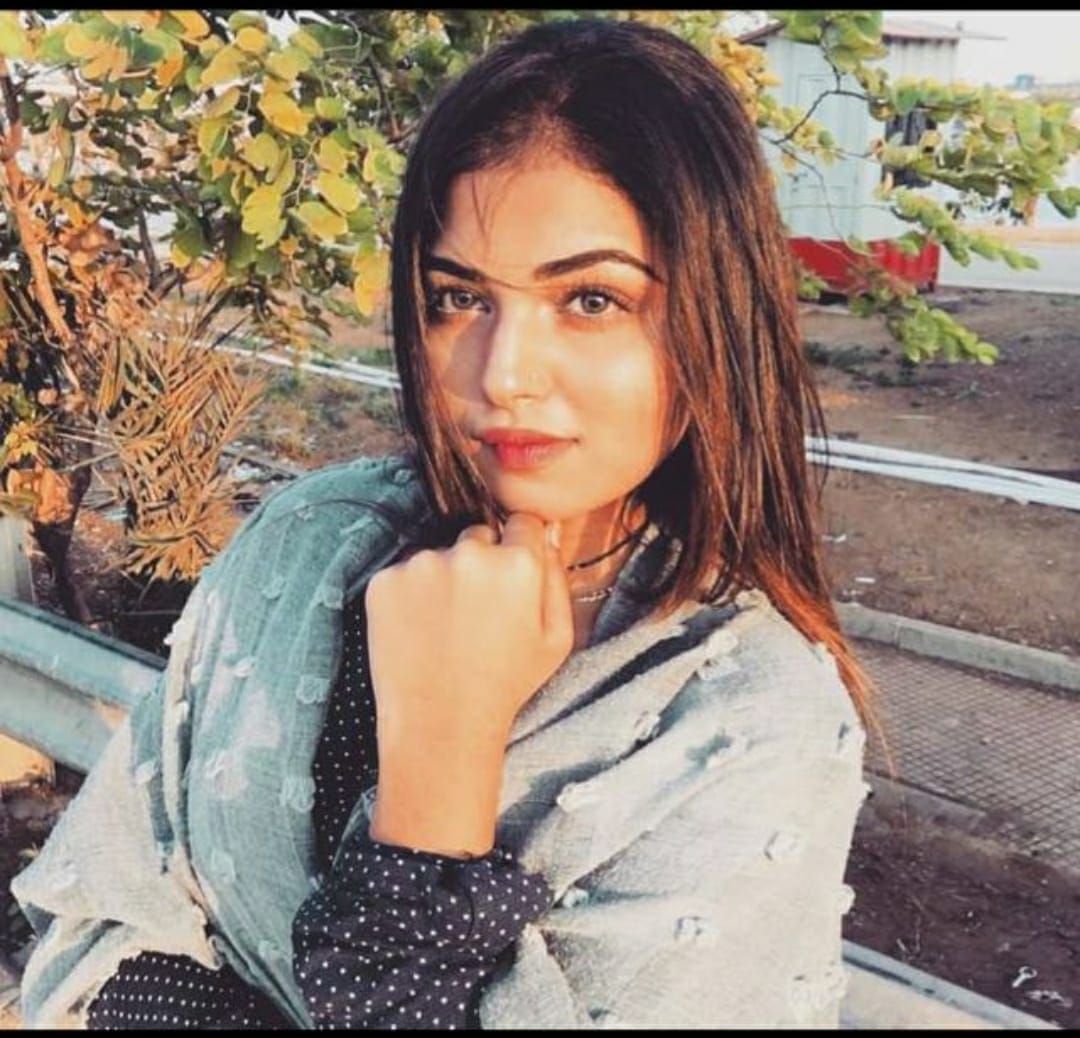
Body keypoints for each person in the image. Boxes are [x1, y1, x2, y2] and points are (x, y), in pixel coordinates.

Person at [12, 16, 882, 1030]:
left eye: (592, 300)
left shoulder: (744, 715)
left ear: (718, 319)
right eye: (459, 297)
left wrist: (439, 765)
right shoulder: (308, 542)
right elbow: (102, 919)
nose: (503, 375)